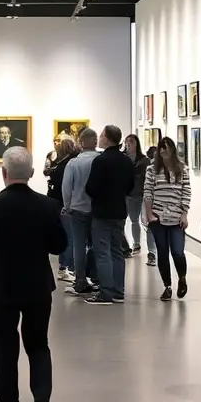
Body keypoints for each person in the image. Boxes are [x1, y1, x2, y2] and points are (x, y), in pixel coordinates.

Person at [0, 147, 67, 402]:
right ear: (33, 174)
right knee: (38, 345)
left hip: (2, 287)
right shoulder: (47, 206)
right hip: (37, 287)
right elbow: (59, 246)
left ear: (4, 173)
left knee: (6, 348)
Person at [83, 126, 136, 305]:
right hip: (119, 211)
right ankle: (118, 292)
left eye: (102, 135)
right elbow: (130, 186)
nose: (100, 137)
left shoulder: (101, 161)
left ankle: (105, 293)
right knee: (117, 252)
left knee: (103, 252)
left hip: (102, 211)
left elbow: (91, 187)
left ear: (108, 139)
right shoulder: (127, 161)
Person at [144, 136, 191, 301]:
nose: (164, 151)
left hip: (176, 217)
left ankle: (182, 278)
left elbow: (186, 193)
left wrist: (184, 214)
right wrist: (149, 215)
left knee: (178, 252)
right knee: (162, 253)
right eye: (161, 148)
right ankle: (167, 286)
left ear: (172, 149)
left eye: (167, 147)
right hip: (158, 218)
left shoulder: (182, 169)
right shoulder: (152, 170)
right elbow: (148, 192)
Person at [61, 127, 100, 296]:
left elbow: (66, 187)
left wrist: (67, 205)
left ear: (81, 143)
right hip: (98, 209)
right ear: (96, 142)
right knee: (98, 245)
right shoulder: (101, 160)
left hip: (77, 209)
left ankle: (81, 280)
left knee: (78, 245)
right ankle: (98, 278)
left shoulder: (73, 163)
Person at [46, 136, 78, 276]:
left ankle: (66, 266)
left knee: (68, 235)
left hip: (61, 202)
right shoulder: (66, 163)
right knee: (69, 236)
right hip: (66, 203)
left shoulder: (63, 163)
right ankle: (65, 267)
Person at [123, 134, 149, 253]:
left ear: (137, 143)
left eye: (131, 141)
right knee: (121, 221)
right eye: (127, 141)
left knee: (134, 219)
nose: (129, 143)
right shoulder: (122, 157)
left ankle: (136, 243)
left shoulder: (144, 160)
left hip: (136, 194)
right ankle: (123, 245)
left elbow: (146, 178)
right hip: (122, 193)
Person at [143, 146, 158, 266]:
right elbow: (147, 190)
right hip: (151, 203)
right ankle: (152, 253)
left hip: (165, 206)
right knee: (151, 229)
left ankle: (155, 252)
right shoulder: (150, 169)